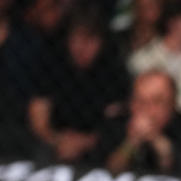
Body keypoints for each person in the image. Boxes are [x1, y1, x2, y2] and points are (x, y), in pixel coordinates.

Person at [26, 10, 130, 163]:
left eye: (90, 40)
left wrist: (85, 142)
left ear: (101, 42)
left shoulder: (114, 72)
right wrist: (56, 139)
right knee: (39, 151)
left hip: (97, 143)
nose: (82, 47)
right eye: (77, 39)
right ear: (68, 39)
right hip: (56, 140)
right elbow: (38, 114)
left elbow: (116, 124)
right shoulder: (52, 64)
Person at [90, 68, 181, 175]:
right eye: (140, 101)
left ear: (173, 105)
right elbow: (104, 173)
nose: (147, 109)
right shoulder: (116, 123)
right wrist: (132, 143)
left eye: (157, 101)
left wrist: (160, 145)